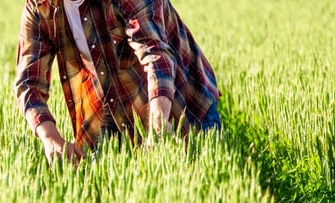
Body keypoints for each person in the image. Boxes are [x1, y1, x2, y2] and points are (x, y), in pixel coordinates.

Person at [15, 0, 220, 166]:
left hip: (183, 102)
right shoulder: (39, 6)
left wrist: (158, 131)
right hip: (113, 108)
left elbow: (156, 57)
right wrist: (51, 138)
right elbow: (28, 83)